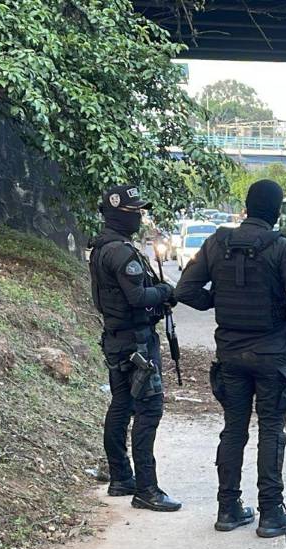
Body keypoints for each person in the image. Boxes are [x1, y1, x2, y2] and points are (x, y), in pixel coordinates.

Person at [175, 179, 286, 537]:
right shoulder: (281, 248)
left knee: (233, 429)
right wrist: (278, 305)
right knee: (271, 430)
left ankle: (228, 509)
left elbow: (186, 289)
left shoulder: (216, 242)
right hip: (271, 356)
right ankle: (271, 513)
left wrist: (217, 300)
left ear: (247, 207)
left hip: (230, 356)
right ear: (276, 211)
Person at [87, 185, 182, 512]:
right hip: (136, 342)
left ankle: (121, 478)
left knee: (122, 403)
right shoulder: (121, 252)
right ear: (119, 213)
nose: (140, 216)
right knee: (149, 409)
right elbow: (139, 298)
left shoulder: (103, 247)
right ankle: (146, 488)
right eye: (135, 211)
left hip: (116, 338)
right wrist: (166, 292)